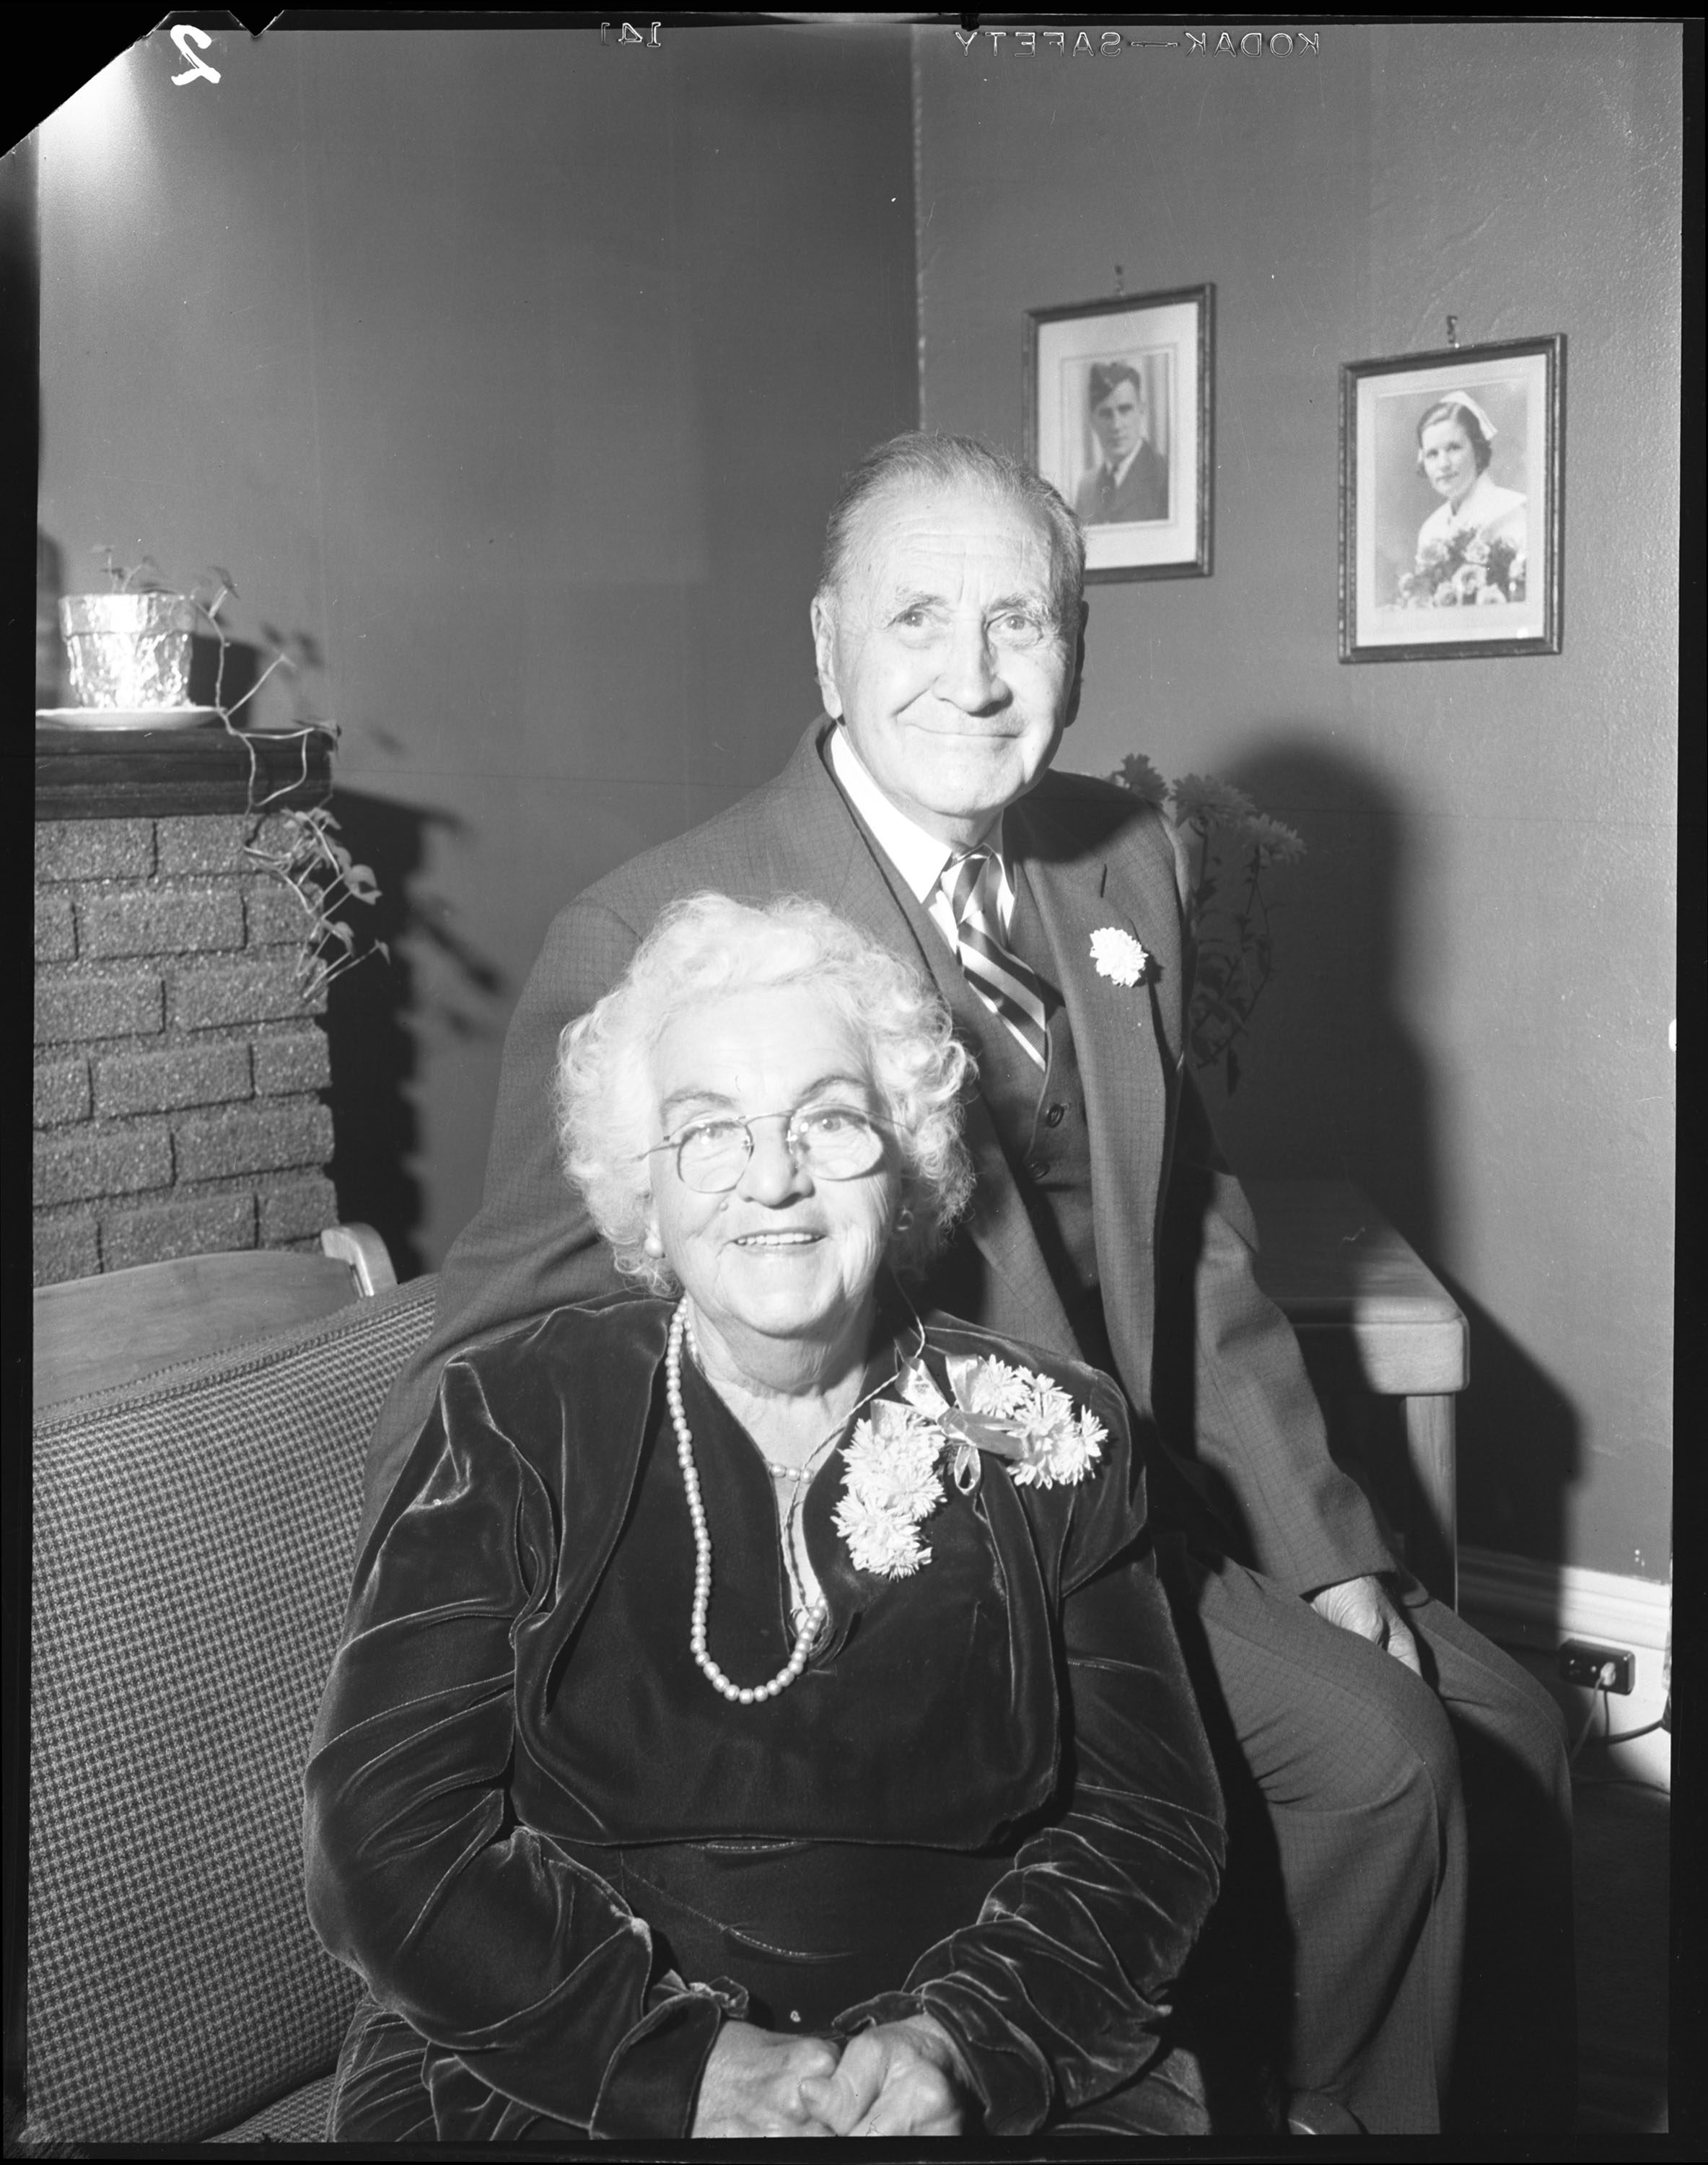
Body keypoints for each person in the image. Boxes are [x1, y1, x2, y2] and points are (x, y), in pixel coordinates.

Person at [357, 432, 1574, 2135]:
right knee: (1385, 1761)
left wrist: (1327, 1541)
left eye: (1021, 619)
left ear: (1077, 646)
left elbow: (1190, 1223)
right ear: (826, 646)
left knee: (1514, 1731)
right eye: (916, 617)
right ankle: (1300, 2104)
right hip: (951, 1546)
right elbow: (502, 1350)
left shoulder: (1118, 864)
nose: (975, 672)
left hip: (1161, 1473)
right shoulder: (656, 933)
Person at [307, 893, 1225, 2142]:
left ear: (905, 1161)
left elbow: (1151, 1825)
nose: (774, 1178)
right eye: (708, 1132)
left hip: (961, 2043)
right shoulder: (514, 1415)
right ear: (643, 1189)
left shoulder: (1039, 1427)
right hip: (560, 2046)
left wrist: (956, 2043)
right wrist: (674, 2066)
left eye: (829, 1120)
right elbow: (384, 1830)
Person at [1414, 392, 1528, 558]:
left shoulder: (1511, 514)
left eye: (1454, 448)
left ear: (1477, 450)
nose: (1443, 464)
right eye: (1432, 454)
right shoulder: (1431, 529)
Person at [1073, 360, 1169, 525]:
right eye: (1106, 414)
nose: (1116, 425)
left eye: (1125, 410)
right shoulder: (1086, 488)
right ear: (1092, 421)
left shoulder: (1166, 475)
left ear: (1142, 410)